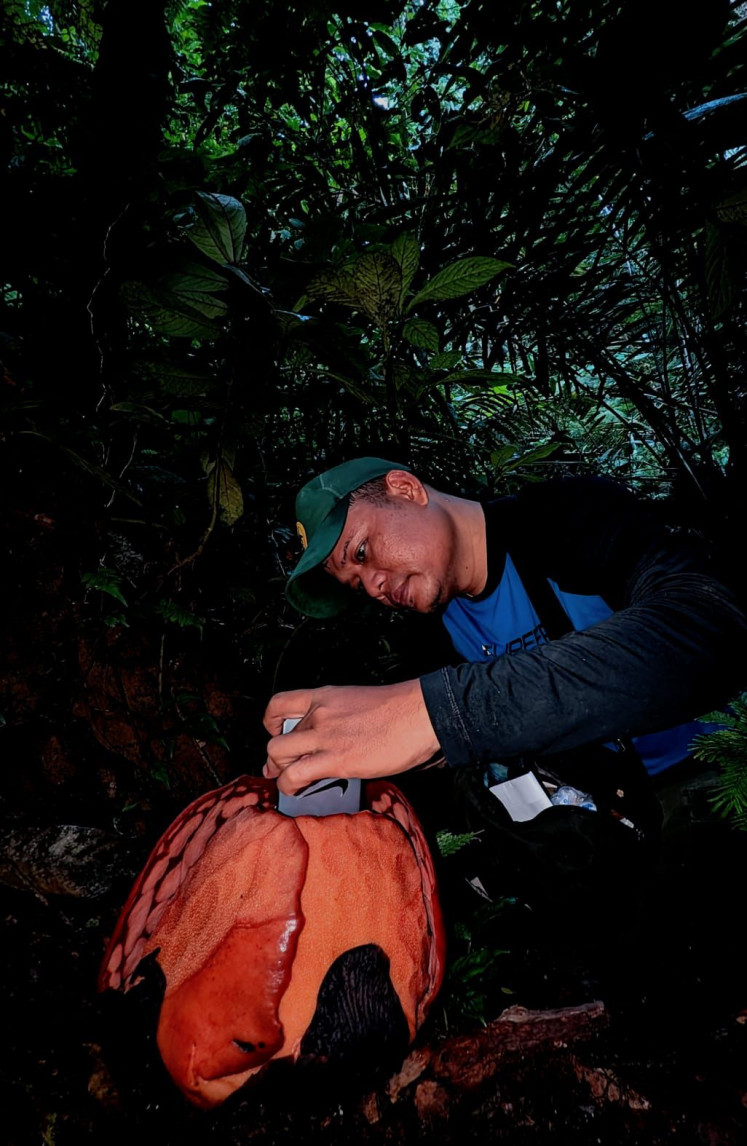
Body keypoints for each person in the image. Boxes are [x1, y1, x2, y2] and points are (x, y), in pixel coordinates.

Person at [263, 457, 746, 803]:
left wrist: (440, 713)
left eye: (363, 553)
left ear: (405, 489)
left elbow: (709, 629)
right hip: (607, 818)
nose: (372, 587)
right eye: (355, 584)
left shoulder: (567, 517)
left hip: (716, 774)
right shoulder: (433, 633)